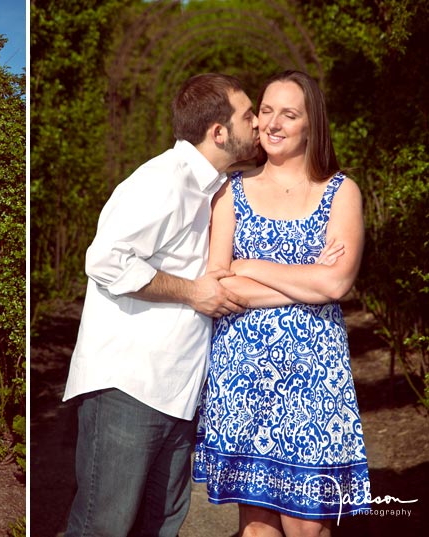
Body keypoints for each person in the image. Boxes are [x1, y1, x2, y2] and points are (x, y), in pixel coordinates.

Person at [62, 73, 259, 537]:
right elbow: (105, 261)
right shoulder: (162, 181)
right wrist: (194, 291)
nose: (257, 125)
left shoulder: (214, 188)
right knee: (103, 527)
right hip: (129, 388)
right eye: (248, 115)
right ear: (218, 132)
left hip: (177, 393)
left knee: (160, 526)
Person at [193, 70, 370, 536]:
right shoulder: (231, 188)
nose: (271, 123)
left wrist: (249, 266)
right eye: (266, 110)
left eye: (288, 114)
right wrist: (305, 281)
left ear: (312, 124)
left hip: (315, 376)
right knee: (255, 527)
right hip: (244, 375)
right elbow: (217, 282)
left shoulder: (341, 192)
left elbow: (336, 285)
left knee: (307, 527)